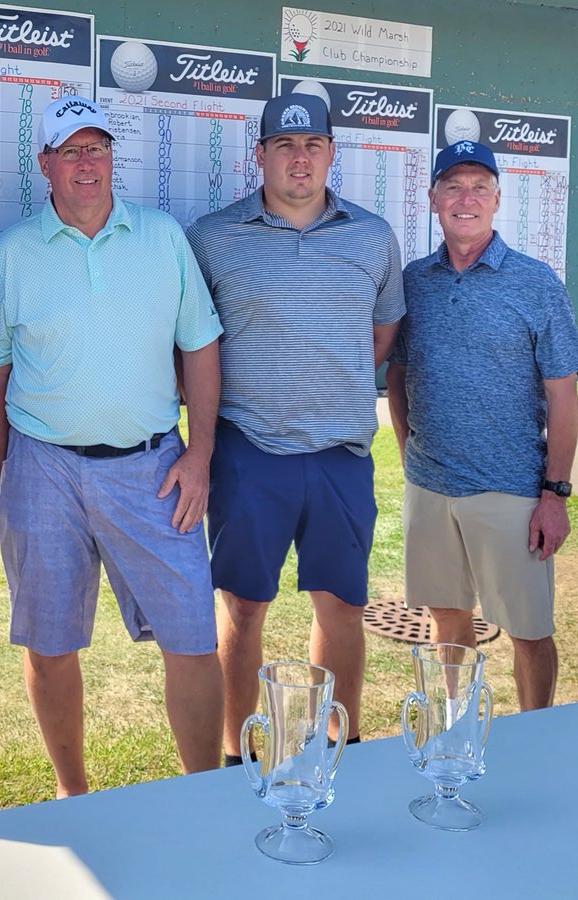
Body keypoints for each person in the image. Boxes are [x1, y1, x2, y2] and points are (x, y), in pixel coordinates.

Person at [0, 95, 225, 797]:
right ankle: (71, 795)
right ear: (45, 164)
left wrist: (198, 454)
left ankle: (200, 794)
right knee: (50, 646)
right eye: (71, 151)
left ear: (112, 157)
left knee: (192, 640)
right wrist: (5, 474)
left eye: (97, 148)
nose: (86, 163)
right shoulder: (14, 252)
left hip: (152, 466)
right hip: (43, 469)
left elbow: (201, 347)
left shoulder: (161, 237)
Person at [185, 93, 404, 764]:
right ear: (260, 155)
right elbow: (190, 343)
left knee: (339, 605)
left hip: (339, 454)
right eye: (284, 144)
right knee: (243, 606)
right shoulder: (213, 237)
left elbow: (383, 329)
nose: (299, 157)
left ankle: (343, 742)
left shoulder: (372, 236)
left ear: (333, 153)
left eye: (312, 144)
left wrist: (326, 381)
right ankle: (235, 751)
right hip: (249, 453)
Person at [387, 140, 578, 710]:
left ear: (497, 199)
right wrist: (407, 450)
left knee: (528, 631)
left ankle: (533, 735)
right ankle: (456, 727)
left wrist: (555, 493)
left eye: (478, 187)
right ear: (432, 199)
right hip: (430, 488)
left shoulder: (536, 282)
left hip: (511, 490)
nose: (464, 198)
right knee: (446, 617)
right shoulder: (414, 280)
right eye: (452, 186)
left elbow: (565, 394)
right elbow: (397, 372)